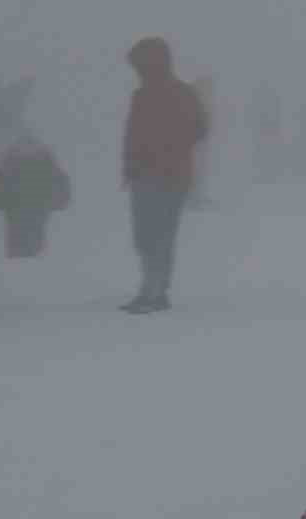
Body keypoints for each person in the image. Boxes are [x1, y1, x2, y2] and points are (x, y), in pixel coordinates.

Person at [121, 36, 208, 314]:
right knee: (148, 235)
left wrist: (168, 148)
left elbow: (199, 128)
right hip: (149, 175)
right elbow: (132, 135)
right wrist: (130, 165)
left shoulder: (178, 93)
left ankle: (154, 291)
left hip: (168, 175)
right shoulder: (144, 94)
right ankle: (152, 289)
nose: (137, 70)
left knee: (158, 234)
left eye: (140, 64)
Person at [0, 135, 69, 258]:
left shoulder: (10, 159)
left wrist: (1, 203)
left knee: (17, 247)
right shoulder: (46, 159)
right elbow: (60, 184)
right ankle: (33, 265)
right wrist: (56, 203)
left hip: (15, 213)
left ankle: (18, 267)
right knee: (35, 247)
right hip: (37, 212)